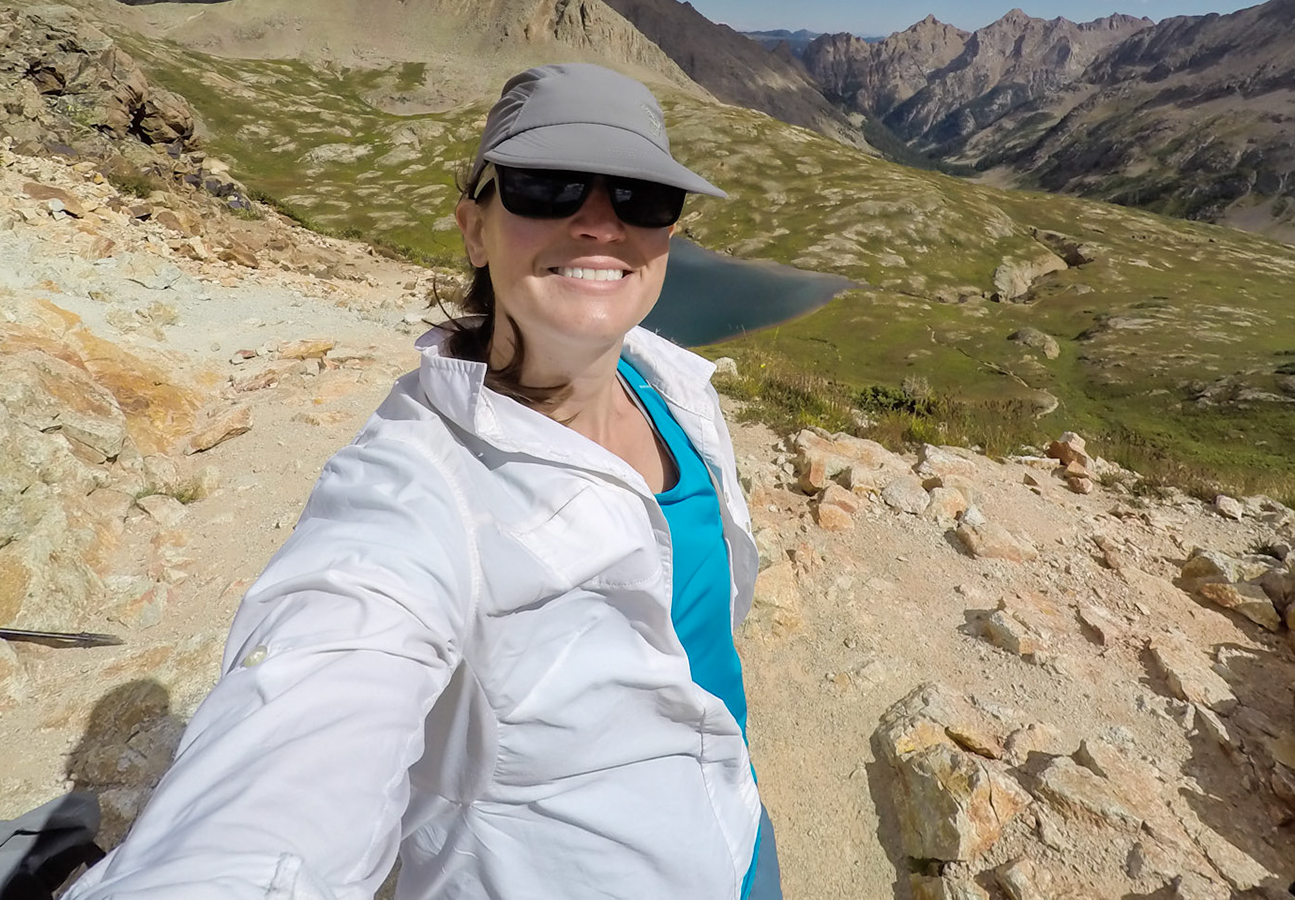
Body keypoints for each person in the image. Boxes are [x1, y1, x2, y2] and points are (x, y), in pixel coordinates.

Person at [67, 63, 779, 900]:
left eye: (641, 197)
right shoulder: (415, 483)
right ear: (474, 228)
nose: (599, 222)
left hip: (737, 829)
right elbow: (309, 714)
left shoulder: (671, 388)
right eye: (546, 185)